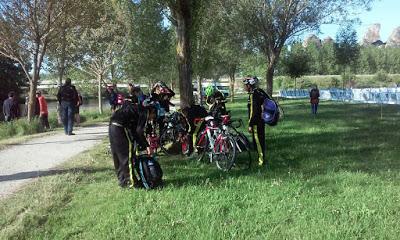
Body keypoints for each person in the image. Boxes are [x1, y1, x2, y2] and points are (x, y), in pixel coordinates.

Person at [109, 89, 157, 188]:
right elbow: (139, 131)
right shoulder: (144, 112)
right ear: (151, 111)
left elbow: (134, 131)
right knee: (127, 156)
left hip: (112, 125)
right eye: (153, 116)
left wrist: (141, 145)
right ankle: (131, 183)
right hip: (120, 127)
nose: (151, 118)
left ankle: (123, 181)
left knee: (117, 155)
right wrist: (147, 146)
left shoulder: (135, 110)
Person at [243, 76, 268, 166]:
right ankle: (261, 158)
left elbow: (254, 111)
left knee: (258, 142)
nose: (245, 87)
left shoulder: (254, 95)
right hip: (261, 121)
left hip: (256, 123)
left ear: (249, 85)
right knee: (260, 141)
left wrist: (250, 124)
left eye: (246, 85)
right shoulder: (260, 92)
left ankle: (261, 161)